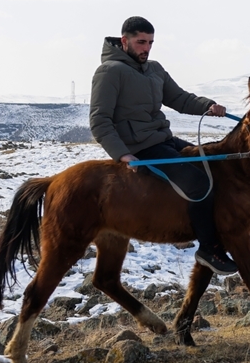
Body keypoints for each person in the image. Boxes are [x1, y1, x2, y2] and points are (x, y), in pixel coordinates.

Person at [89, 16, 238, 276]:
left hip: (165, 139)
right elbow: (99, 120)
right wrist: (122, 154)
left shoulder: (154, 69)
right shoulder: (109, 72)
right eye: (140, 42)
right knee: (198, 182)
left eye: (150, 43)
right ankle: (208, 249)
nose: (146, 48)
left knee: (214, 166)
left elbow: (179, 98)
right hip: (142, 148)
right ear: (124, 41)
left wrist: (207, 105)